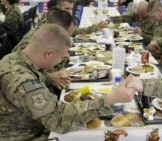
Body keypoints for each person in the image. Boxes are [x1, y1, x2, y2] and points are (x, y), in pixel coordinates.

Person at [0, 24, 136, 140]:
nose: (61, 62)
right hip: (28, 136)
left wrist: (49, 77)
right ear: (49, 53)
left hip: (32, 124)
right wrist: (112, 98)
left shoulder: (15, 58)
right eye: (61, 58)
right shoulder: (21, 79)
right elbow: (59, 121)